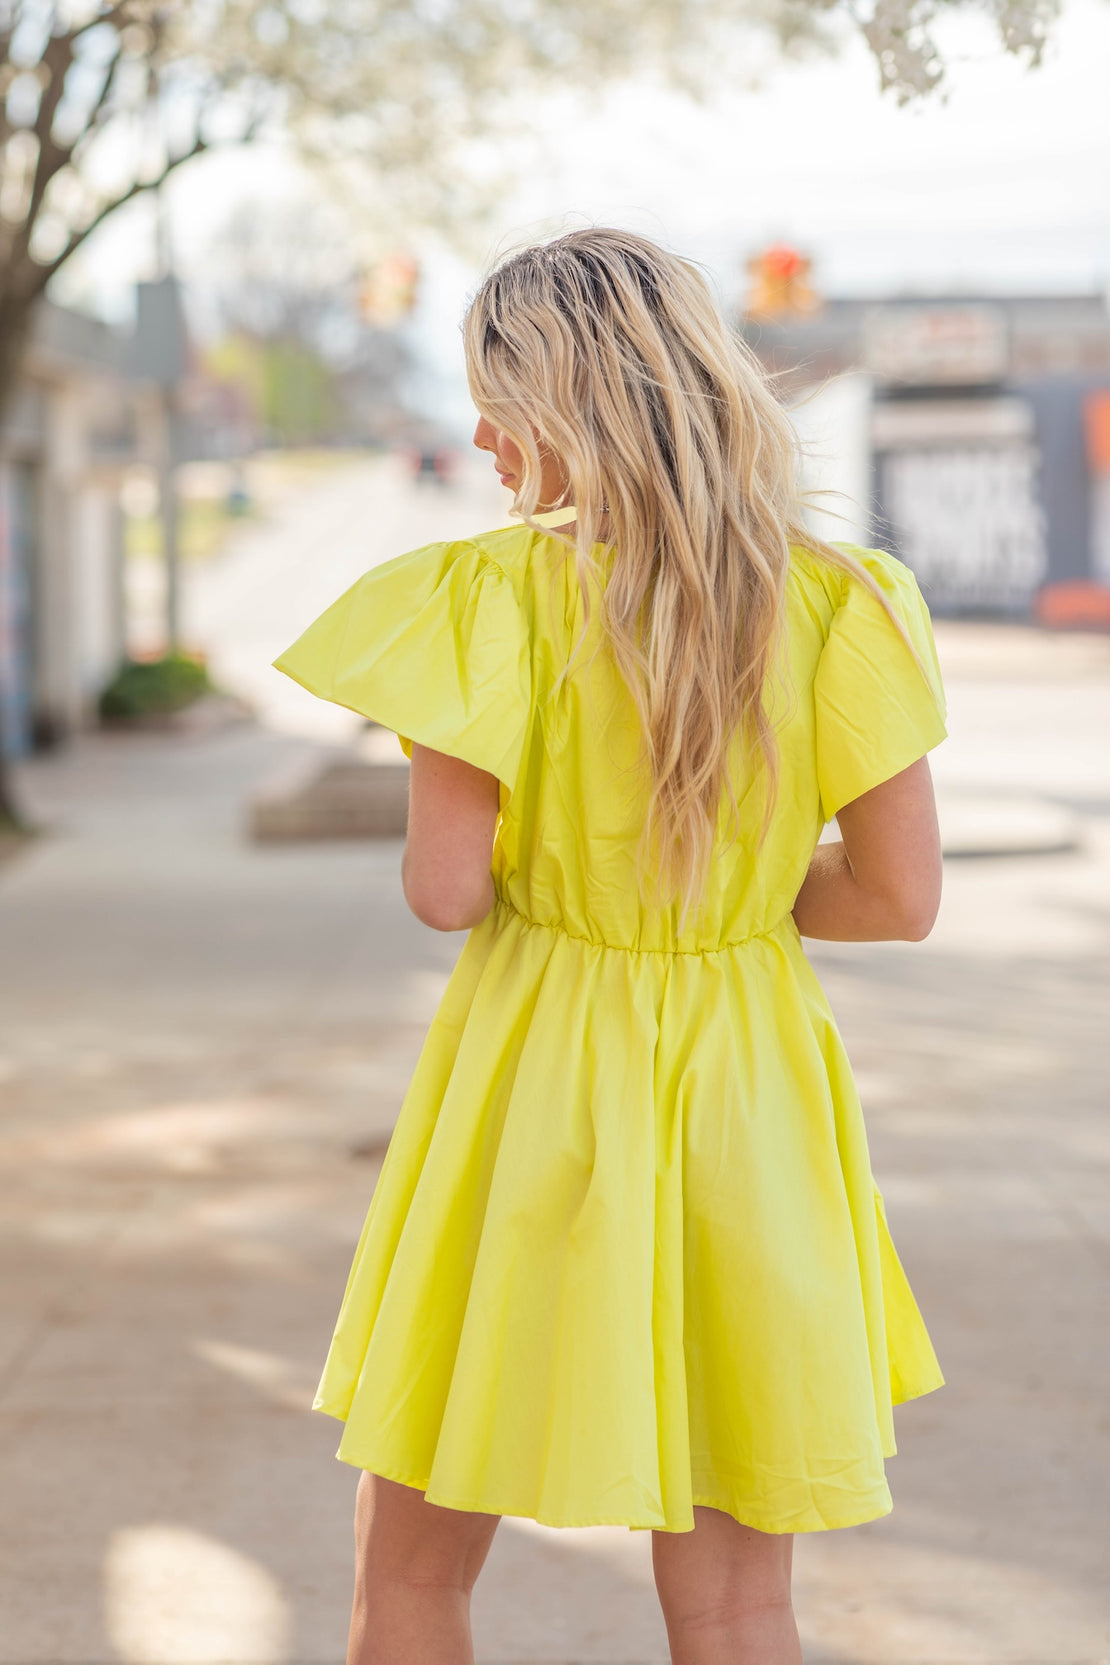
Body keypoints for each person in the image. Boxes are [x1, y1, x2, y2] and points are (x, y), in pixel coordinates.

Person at [272, 227, 948, 1665]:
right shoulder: (844, 604)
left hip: (534, 1083)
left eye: (494, 393)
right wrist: (732, 907)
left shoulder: (484, 600)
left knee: (414, 1573)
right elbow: (896, 897)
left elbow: (446, 892)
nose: (475, 432)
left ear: (561, 406)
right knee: (737, 1601)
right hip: (746, 1088)